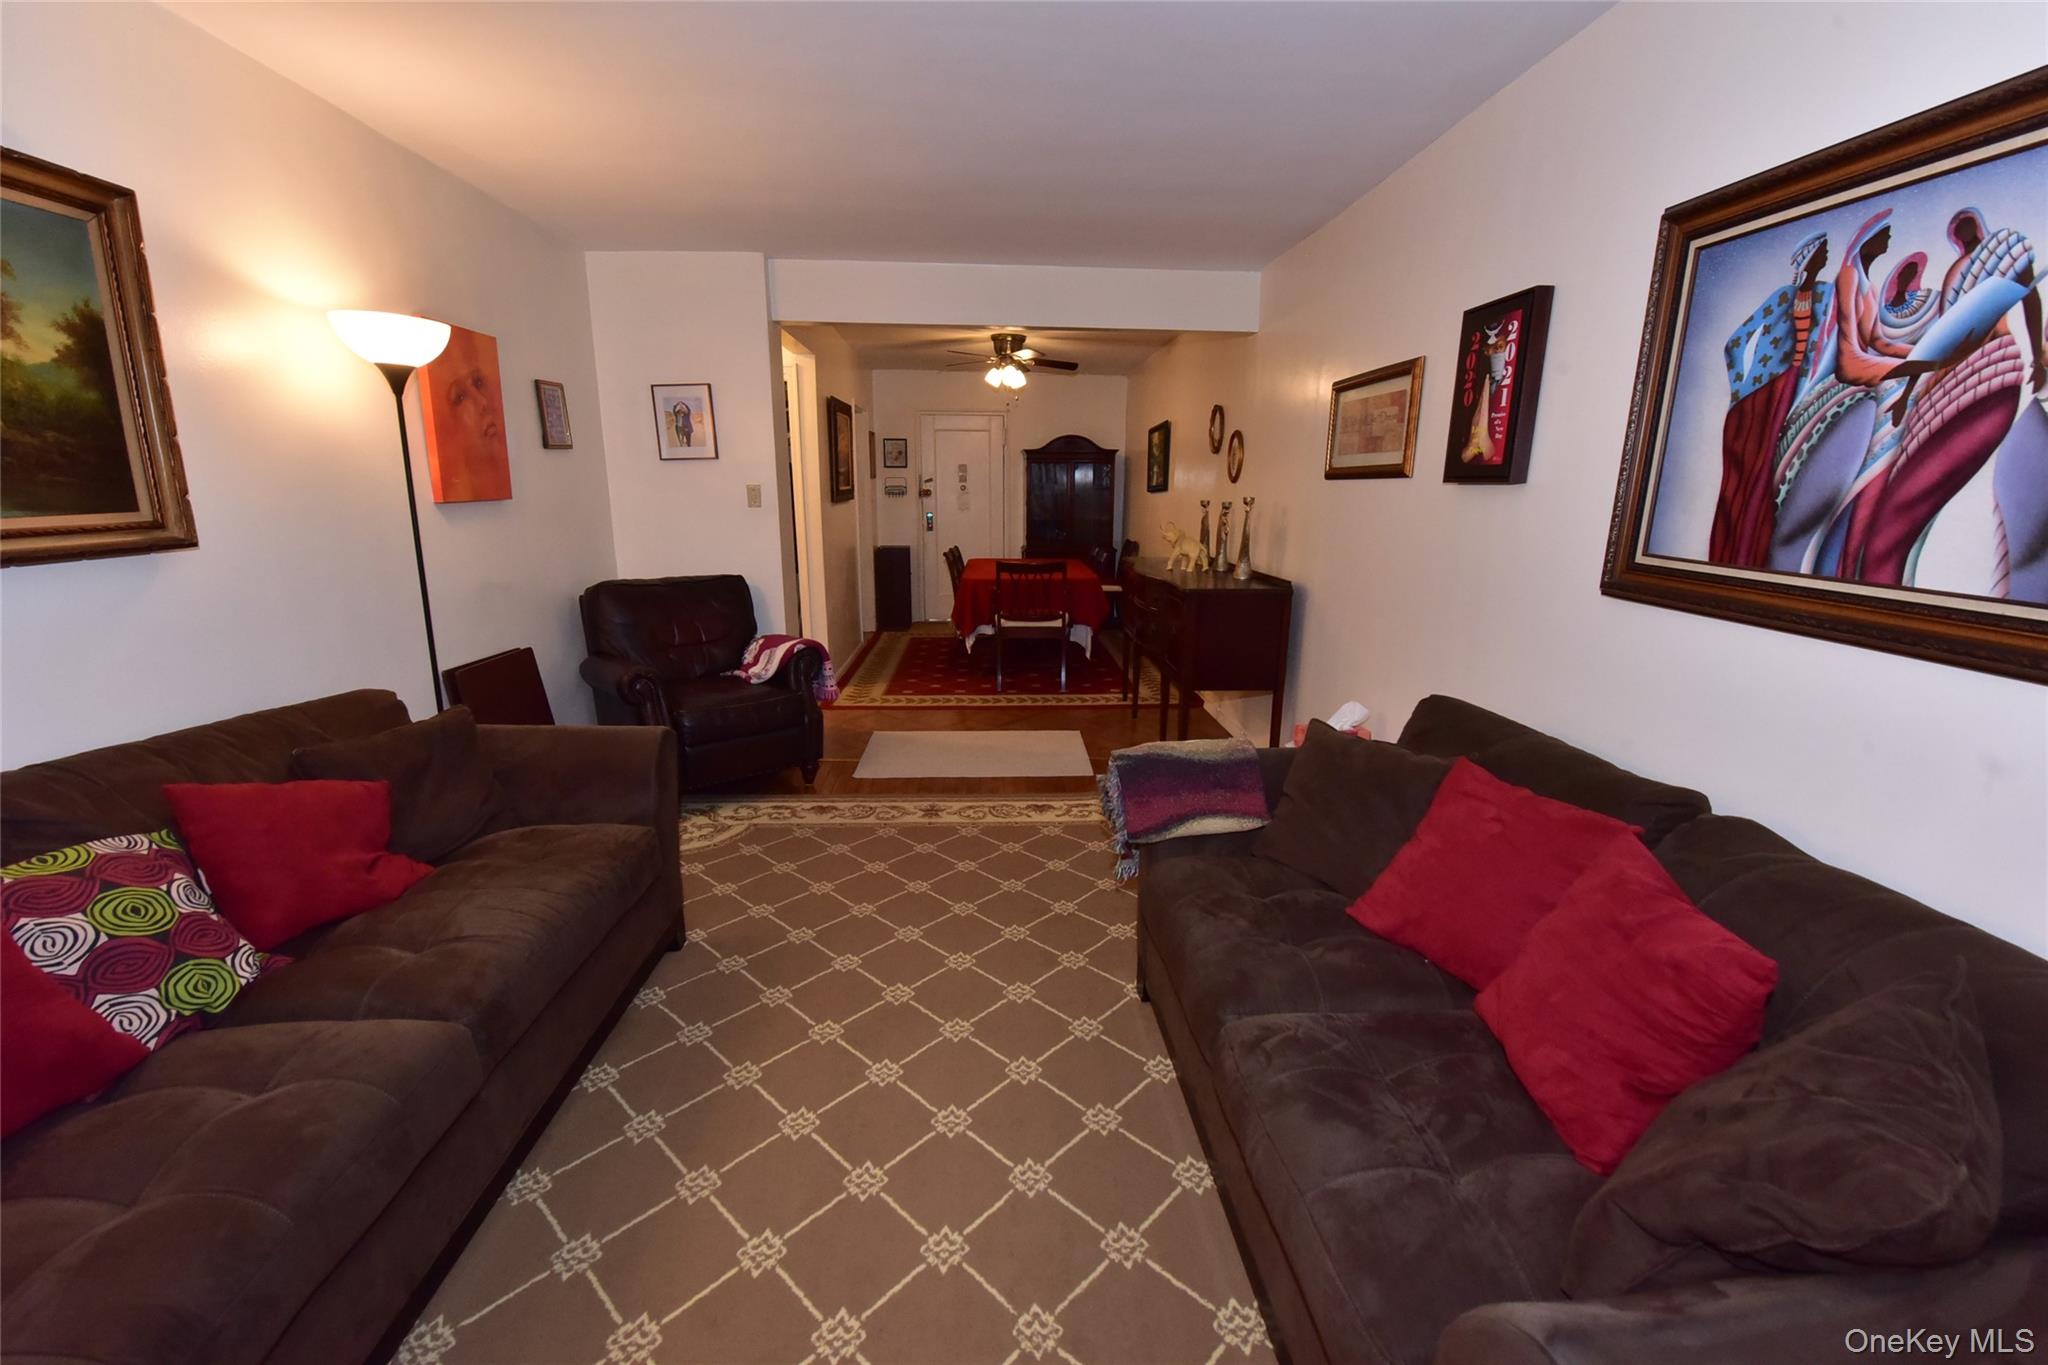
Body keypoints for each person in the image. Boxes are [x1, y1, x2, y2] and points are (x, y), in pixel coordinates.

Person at [1711, 231, 1831, 566]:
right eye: (1822, 251)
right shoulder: (1784, 296)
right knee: (1753, 467)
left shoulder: (1827, 293)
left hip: (1804, 386)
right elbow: (1735, 342)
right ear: (1809, 258)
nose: (1826, 255)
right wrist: (1741, 386)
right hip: (1769, 390)